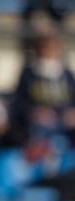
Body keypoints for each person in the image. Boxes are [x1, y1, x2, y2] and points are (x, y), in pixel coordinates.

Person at [10, 29, 75, 161]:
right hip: (38, 127)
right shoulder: (28, 74)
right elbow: (18, 104)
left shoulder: (67, 75)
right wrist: (33, 112)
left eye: (54, 47)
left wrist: (71, 113)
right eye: (46, 47)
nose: (50, 51)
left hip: (64, 123)